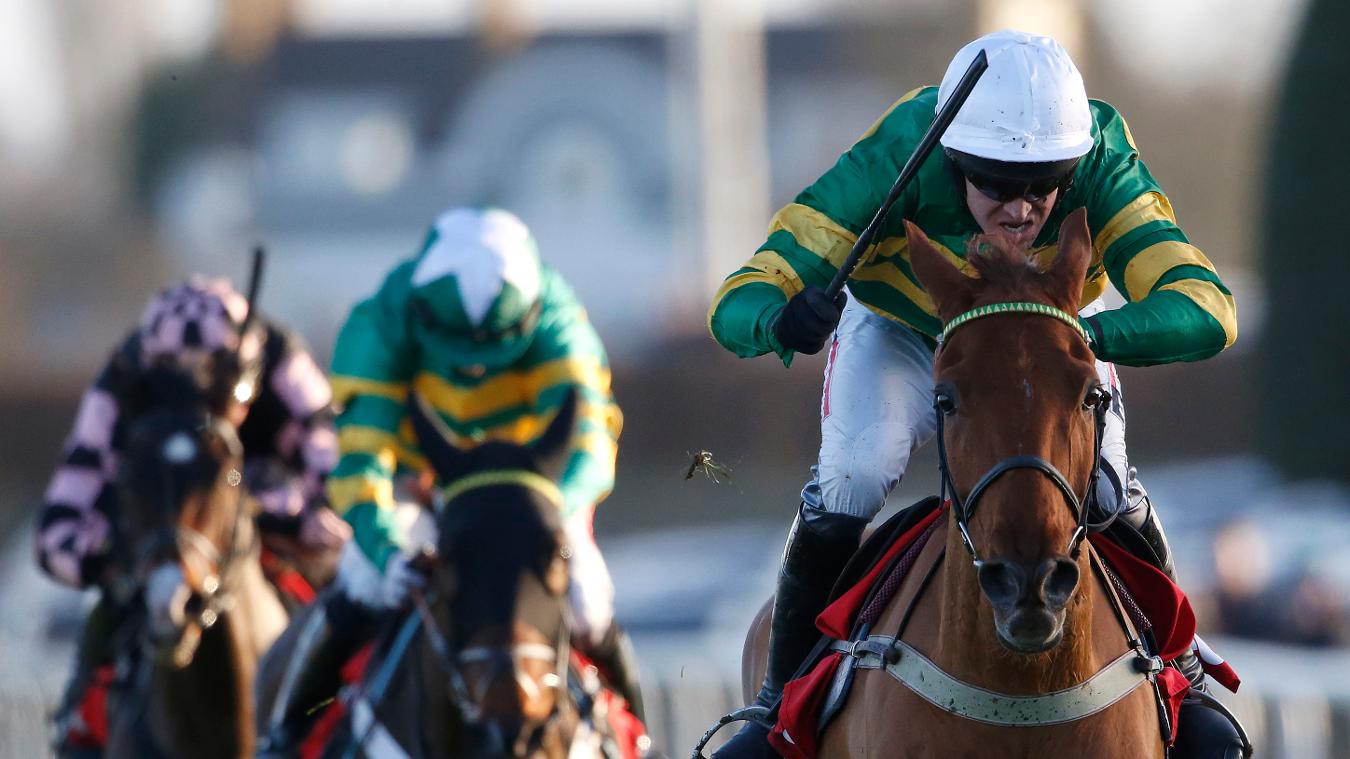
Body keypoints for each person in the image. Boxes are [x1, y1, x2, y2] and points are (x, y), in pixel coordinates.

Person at [707, 30, 1244, 757]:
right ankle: (778, 706)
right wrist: (777, 317)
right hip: (905, 329)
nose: (1022, 210)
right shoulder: (900, 150)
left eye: (1044, 185)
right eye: (996, 184)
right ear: (955, 160)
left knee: (1109, 483)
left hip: (1050, 330)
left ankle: (1182, 678)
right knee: (856, 472)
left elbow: (1209, 309)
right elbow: (741, 294)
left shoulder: (1102, 157)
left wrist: (1080, 339)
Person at [259, 206, 642, 752]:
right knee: (361, 583)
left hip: (531, 493)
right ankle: (283, 736)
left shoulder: (559, 319)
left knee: (588, 601)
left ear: (531, 313)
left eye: (494, 345)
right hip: (420, 489)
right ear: (421, 309)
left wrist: (542, 514)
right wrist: (385, 549)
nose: (473, 366)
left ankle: (640, 737)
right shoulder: (380, 322)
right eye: (457, 345)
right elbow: (361, 459)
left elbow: (590, 444)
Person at [37, 276, 348, 755]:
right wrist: (114, 552)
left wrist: (294, 516)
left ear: (246, 368)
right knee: (112, 606)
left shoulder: (283, 361)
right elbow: (57, 529)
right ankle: (80, 725)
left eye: (216, 386)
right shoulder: (123, 379)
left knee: (355, 598)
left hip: (267, 526)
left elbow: (344, 477)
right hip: (156, 535)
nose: (197, 399)